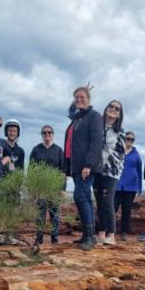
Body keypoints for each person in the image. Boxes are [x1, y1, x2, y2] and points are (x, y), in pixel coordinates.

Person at [64, 84, 103, 251]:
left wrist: (88, 164)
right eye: (76, 97)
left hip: (87, 166)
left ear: (89, 99)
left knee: (82, 196)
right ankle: (87, 236)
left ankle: (90, 236)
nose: (79, 99)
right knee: (81, 197)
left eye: (82, 97)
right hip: (76, 166)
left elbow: (96, 142)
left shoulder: (94, 116)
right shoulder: (76, 118)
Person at [94, 100, 125, 245]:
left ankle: (111, 235)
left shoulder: (120, 132)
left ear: (119, 114)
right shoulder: (96, 126)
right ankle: (101, 233)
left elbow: (121, 154)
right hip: (96, 169)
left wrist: (112, 166)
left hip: (111, 172)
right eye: (111, 106)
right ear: (106, 108)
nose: (113, 109)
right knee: (99, 202)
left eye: (116, 108)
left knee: (107, 201)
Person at [29, 125, 66, 245]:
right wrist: (32, 189)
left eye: (49, 132)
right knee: (40, 215)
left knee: (54, 215)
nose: (47, 134)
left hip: (54, 189)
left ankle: (54, 239)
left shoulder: (58, 150)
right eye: (44, 133)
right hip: (40, 189)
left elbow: (63, 171)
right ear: (41, 134)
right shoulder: (36, 150)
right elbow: (31, 170)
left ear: (53, 134)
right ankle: (39, 239)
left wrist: (63, 188)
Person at [114, 131, 142, 241]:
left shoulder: (136, 154)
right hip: (116, 186)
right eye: (127, 138)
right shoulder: (117, 151)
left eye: (131, 139)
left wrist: (139, 187)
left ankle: (124, 232)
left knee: (126, 210)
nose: (129, 141)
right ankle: (110, 230)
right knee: (113, 209)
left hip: (130, 187)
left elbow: (139, 171)